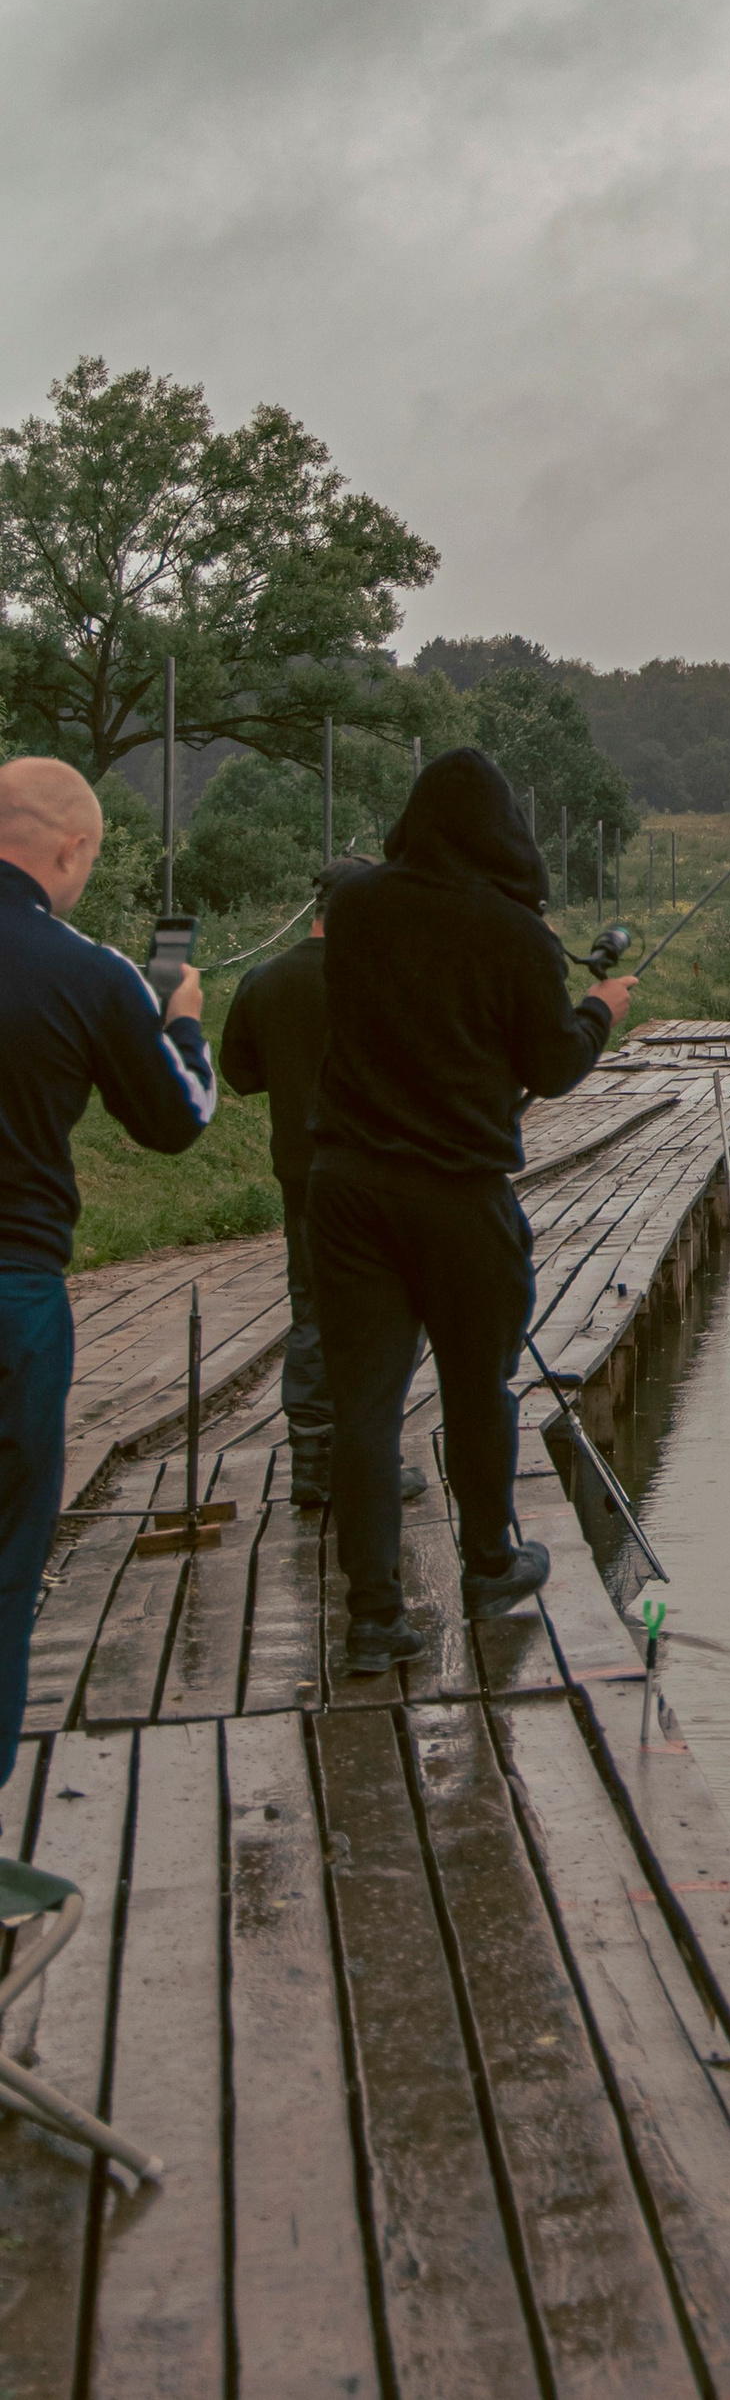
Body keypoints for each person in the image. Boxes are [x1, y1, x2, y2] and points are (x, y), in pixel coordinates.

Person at [305, 749, 633, 1676]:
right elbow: (556, 1065)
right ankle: (489, 1562)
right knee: (476, 1386)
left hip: (348, 1188)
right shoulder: (517, 937)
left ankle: (374, 1619)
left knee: (365, 1408)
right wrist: (600, 1007)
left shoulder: (357, 906)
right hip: (457, 1195)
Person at [0, 756, 217, 1786]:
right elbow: (175, 1122)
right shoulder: (89, 969)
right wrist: (181, 1018)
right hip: (13, 1292)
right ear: (70, 849)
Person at [217, 854, 422, 1513]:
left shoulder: (265, 979)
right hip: (377, 1177)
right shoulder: (384, 982)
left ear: (316, 909)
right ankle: (374, 1464)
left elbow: (241, 1074)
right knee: (386, 1319)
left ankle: (311, 1463)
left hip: (300, 1178)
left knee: (311, 1312)